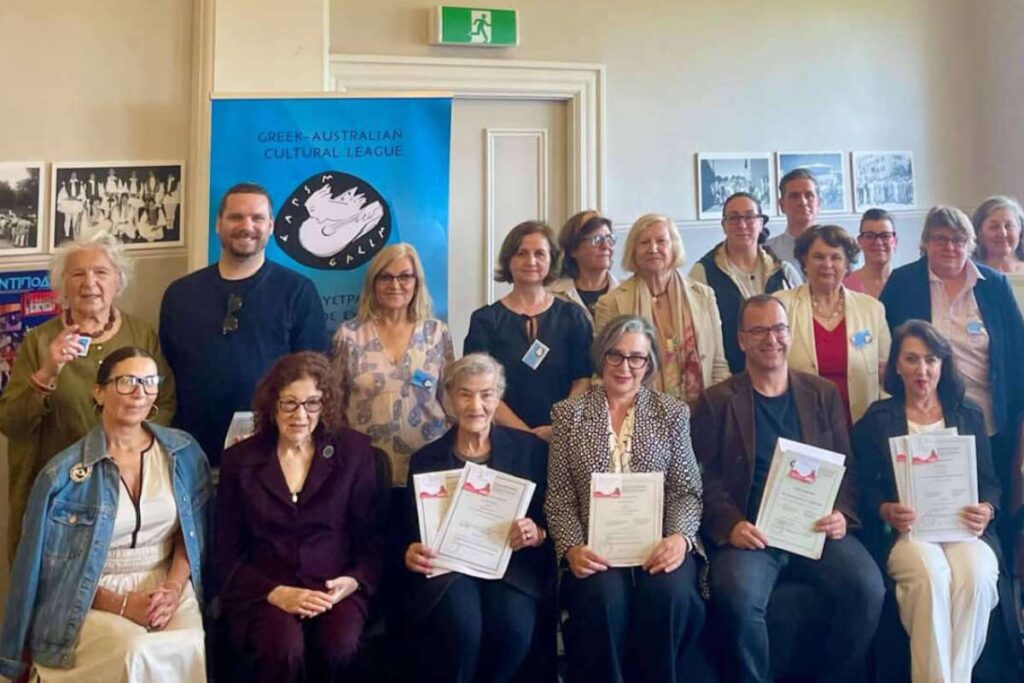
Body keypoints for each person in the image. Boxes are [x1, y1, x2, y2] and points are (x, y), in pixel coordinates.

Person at [693, 294, 884, 683]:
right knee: (738, 598)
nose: (771, 339)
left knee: (868, 590)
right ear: (741, 339)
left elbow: (846, 466)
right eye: (759, 330)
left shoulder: (822, 394)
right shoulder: (716, 401)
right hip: (752, 531)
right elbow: (704, 477)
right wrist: (730, 525)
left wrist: (842, 515)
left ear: (789, 333)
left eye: (779, 328)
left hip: (815, 527)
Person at [0, 346, 211, 682]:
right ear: (98, 392)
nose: (139, 392)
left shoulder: (183, 453)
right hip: (89, 593)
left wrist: (172, 589)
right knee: (134, 649)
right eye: (126, 381)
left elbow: (193, 536)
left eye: (148, 381)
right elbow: (39, 571)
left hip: (168, 582)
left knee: (191, 643)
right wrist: (123, 605)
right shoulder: (63, 476)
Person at [546, 315, 705, 683]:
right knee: (601, 599)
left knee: (668, 595)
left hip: (660, 544)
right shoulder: (568, 414)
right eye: (616, 356)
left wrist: (679, 539)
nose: (625, 367)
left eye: (637, 358)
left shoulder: (672, 413)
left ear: (649, 364)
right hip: (595, 548)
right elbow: (559, 496)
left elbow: (686, 490)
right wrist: (572, 548)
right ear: (601, 357)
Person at [212, 352, 386, 682]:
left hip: (334, 586)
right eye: (289, 403)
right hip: (267, 587)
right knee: (283, 648)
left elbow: (373, 540)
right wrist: (275, 592)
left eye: (312, 403)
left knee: (339, 645)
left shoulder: (354, 453)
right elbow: (225, 554)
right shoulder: (240, 460)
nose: (300, 415)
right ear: (271, 405)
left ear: (327, 405)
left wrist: (353, 581)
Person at [0, 231, 175, 558]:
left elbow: (163, 403)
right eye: (77, 273)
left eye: (101, 272)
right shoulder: (40, 341)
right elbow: (12, 424)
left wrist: (130, 449)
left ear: (117, 282)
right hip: (62, 497)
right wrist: (48, 371)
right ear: (62, 286)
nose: (89, 282)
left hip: (129, 486)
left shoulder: (140, 334)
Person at [851, 320, 1000, 682]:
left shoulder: (969, 414)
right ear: (896, 366)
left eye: (931, 360)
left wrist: (987, 508)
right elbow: (862, 488)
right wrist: (886, 509)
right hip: (907, 534)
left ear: (943, 364)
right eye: (912, 359)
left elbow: (991, 484)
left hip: (964, 531)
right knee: (932, 577)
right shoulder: (877, 418)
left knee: (977, 575)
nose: (922, 370)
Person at [403, 353, 551, 682]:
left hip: (512, 566)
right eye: (465, 394)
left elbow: (552, 517)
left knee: (513, 629)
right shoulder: (426, 461)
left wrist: (536, 533)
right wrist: (410, 551)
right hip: (450, 570)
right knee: (461, 627)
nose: (476, 405)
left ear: (498, 398)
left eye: (486, 394)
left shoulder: (530, 450)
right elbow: (410, 532)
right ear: (451, 397)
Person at [881, 206, 1024, 546]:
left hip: (988, 422)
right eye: (940, 239)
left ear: (971, 243)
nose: (950, 247)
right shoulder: (903, 283)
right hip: (923, 422)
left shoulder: (995, 285)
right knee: (930, 518)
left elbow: (1017, 354)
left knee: (987, 511)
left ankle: (995, 588)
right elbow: (886, 349)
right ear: (926, 243)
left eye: (958, 239)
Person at [159, 182, 327, 465]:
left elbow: (313, 377)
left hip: (273, 453)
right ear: (218, 224)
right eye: (236, 217)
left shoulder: (298, 292)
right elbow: (167, 371)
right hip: (191, 453)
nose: (247, 226)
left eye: (258, 218)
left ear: (271, 226)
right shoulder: (180, 294)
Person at [332, 243, 453, 488]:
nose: (395, 285)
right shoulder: (349, 335)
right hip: (365, 467)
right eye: (385, 277)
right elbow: (335, 401)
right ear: (373, 283)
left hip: (429, 465)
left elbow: (450, 397)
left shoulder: (436, 333)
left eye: (405, 276)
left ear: (417, 282)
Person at [463, 221, 592, 441]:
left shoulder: (573, 317)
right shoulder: (485, 320)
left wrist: (558, 426)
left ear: (551, 260)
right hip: (504, 437)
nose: (530, 261)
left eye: (540, 254)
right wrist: (524, 434)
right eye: (521, 253)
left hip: (563, 438)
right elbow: (480, 386)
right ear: (508, 260)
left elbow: (583, 380)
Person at [595, 213, 729, 405]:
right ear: (633, 250)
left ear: (673, 247)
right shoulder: (611, 302)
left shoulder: (704, 296)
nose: (653, 248)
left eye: (661, 241)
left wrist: (716, 411)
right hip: (638, 417)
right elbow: (603, 372)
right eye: (644, 242)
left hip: (702, 415)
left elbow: (718, 365)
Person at [774, 225, 890, 425]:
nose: (827, 264)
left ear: (847, 264)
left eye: (835, 257)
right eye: (818, 257)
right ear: (804, 262)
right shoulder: (781, 305)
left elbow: (886, 375)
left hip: (861, 426)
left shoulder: (872, 309)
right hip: (799, 425)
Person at [691, 192, 800, 373]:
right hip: (729, 379)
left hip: (780, 375)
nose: (742, 225)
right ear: (724, 225)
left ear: (761, 223)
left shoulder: (784, 271)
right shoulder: (703, 273)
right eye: (733, 218)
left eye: (749, 217)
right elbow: (699, 337)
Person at [549, 209, 620, 324]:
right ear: (573, 249)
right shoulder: (552, 295)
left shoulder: (627, 294)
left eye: (609, 239)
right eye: (597, 240)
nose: (606, 246)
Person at [765, 168, 821, 272]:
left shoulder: (838, 247)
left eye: (809, 195)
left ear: (819, 203)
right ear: (782, 205)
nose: (803, 202)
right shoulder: (767, 252)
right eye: (794, 196)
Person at [844, 208, 898, 298]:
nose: (878, 242)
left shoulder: (907, 284)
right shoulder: (846, 287)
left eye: (885, 236)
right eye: (870, 236)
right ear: (860, 241)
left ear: (895, 241)